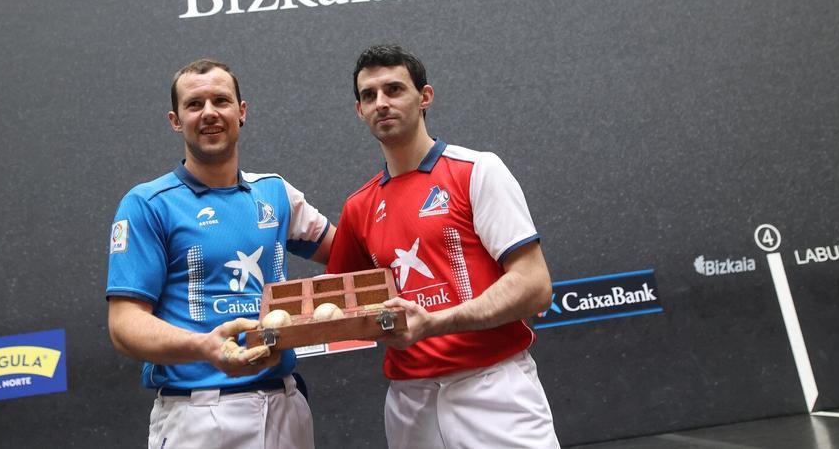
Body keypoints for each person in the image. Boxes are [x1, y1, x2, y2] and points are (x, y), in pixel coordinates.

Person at [327, 44, 560, 449]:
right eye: (369, 95)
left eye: (394, 89)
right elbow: (339, 307)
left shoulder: (477, 171)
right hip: (409, 402)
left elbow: (533, 284)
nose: (381, 103)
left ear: (425, 97)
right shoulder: (359, 207)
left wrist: (436, 322)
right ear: (359, 110)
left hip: (493, 389)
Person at [106, 58, 335, 449]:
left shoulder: (276, 194)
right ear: (176, 120)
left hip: (285, 405)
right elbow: (124, 325)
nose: (210, 113)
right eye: (195, 105)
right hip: (199, 416)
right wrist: (204, 348)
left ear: (241, 112)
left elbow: (351, 251)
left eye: (221, 101)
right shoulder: (148, 204)